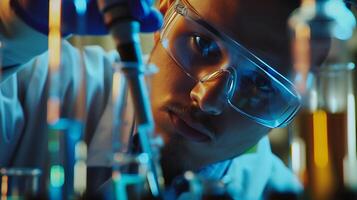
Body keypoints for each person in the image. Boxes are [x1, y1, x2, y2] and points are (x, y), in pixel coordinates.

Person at [0, 0, 302, 199]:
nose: (207, 98)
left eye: (262, 85)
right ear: (164, 11)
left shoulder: (278, 192)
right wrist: (13, 28)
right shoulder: (35, 84)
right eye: (202, 44)